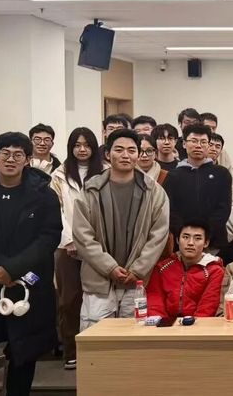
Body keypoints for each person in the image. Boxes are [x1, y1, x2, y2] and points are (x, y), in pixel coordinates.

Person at [73, 129, 169, 330]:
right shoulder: (91, 190)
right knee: (96, 337)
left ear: (138, 154)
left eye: (131, 150)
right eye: (119, 150)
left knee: (132, 336)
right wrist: (109, 267)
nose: (126, 155)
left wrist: (138, 269)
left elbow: (158, 235)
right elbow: (83, 236)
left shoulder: (154, 191)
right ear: (108, 154)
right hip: (99, 280)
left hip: (136, 281)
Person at [0, 132, 62, 393]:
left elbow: (49, 236)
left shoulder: (43, 194)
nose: (10, 159)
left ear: (27, 159)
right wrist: (0, 268)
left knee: (24, 355)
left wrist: (13, 269)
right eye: (5, 153)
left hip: (29, 283)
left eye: (18, 154)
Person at [49, 127, 104, 370]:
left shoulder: (105, 172)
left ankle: (98, 349)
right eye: (77, 145)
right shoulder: (59, 175)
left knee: (99, 299)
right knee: (69, 300)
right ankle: (71, 351)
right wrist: (69, 239)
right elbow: (57, 211)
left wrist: (94, 242)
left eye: (87, 145)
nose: (82, 149)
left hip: (99, 247)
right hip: (67, 246)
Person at [164, 124, 232, 252]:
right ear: (184, 144)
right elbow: (170, 210)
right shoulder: (173, 176)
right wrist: (185, 234)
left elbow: (224, 209)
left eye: (203, 142)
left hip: (214, 243)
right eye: (194, 141)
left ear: (208, 145)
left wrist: (204, 234)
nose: (198, 145)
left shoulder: (222, 174)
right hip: (183, 243)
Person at [146, 222, 225, 318]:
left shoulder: (215, 271)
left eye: (197, 238)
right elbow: (154, 300)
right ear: (177, 240)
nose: (190, 243)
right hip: (165, 323)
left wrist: (193, 325)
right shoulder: (162, 268)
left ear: (206, 243)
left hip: (199, 324)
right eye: (185, 237)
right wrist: (162, 323)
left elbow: (208, 307)